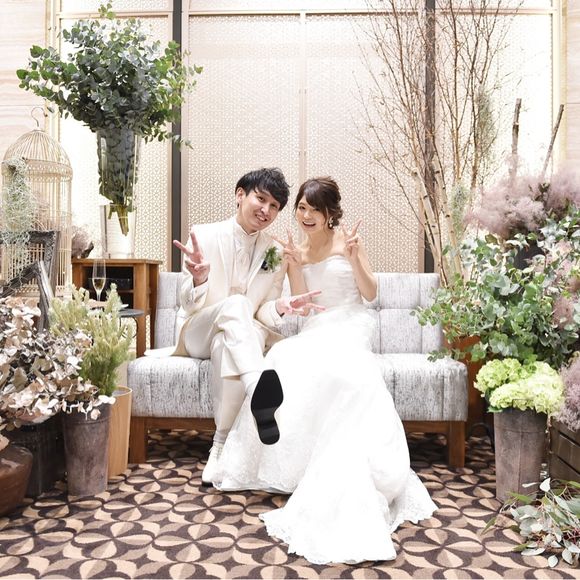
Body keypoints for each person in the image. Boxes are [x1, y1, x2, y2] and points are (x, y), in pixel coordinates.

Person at [212, 177, 437, 565]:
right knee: (282, 359)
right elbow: (305, 304)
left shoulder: (347, 241)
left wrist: (355, 256)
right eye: (301, 207)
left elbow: (370, 294)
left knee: (342, 372)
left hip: (351, 323)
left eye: (314, 210)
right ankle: (293, 465)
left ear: (330, 213)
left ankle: (339, 469)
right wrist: (292, 265)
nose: (306, 216)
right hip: (318, 325)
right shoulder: (297, 248)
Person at [171, 168, 320, 485]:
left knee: (230, 343)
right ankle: (257, 386)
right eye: (261, 199)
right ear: (240, 195)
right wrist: (199, 279)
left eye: (274, 206)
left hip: (237, 339)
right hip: (199, 331)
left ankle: (219, 447)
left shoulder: (275, 252)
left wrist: (280, 307)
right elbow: (187, 304)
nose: (266, 210)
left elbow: (262, 313)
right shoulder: (203, 235)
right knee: (236, 305)